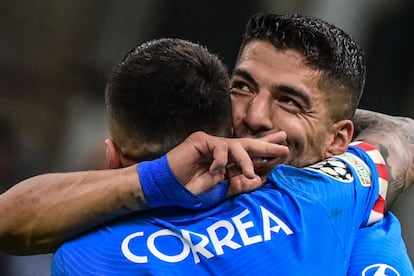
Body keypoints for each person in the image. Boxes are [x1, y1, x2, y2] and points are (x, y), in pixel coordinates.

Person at [0, 13, 412, 274]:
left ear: (338, 140)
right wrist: (157, 179)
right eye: (243, 86)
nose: (254, 116)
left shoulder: (343, 204)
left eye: (289, 101)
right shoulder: (140, 200)